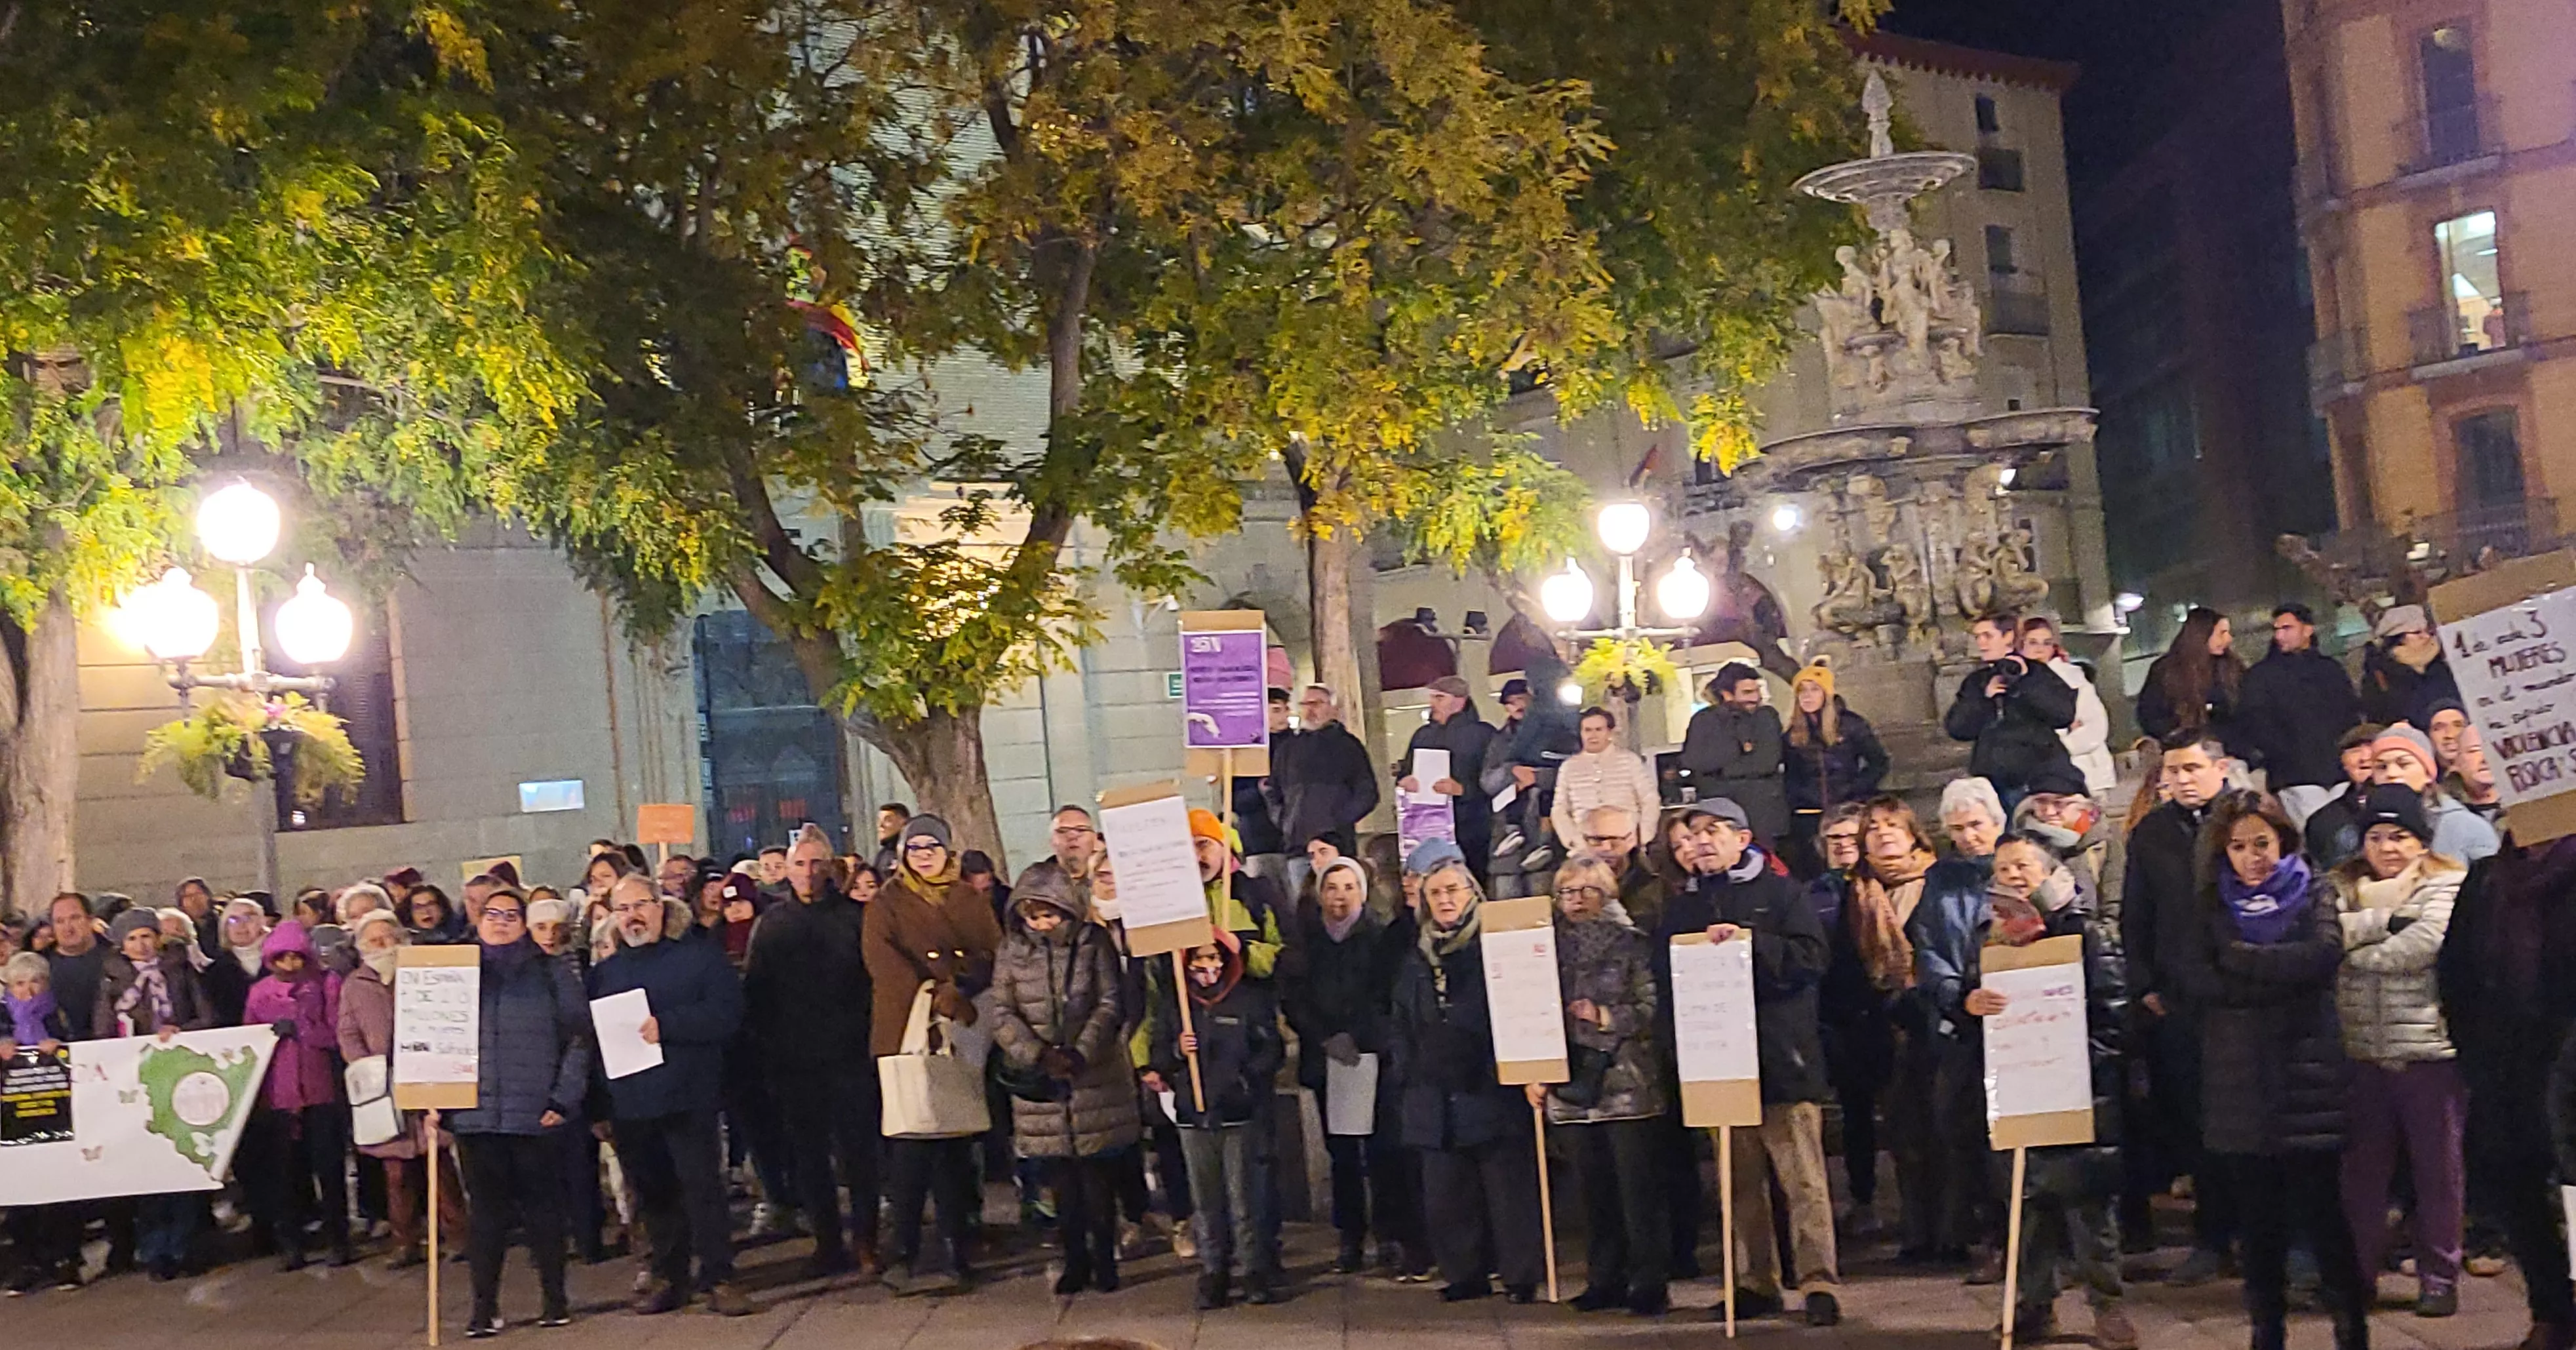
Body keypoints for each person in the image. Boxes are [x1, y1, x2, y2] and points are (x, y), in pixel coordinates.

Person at [2173, 791, 2369, 1350]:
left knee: (2325, 1216)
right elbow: (2197, 979)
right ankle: (2266, 1331)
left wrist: (2241, 960)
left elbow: (2321, 955)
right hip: (2238, 1081)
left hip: (2307, 1076)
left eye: (2262, 843)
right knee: (2257, 1224)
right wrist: (2272, 978)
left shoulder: (2314, 890)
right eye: (2238, 846)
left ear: (2283, 840)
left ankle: (2350, 1329)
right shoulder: (2210, 903)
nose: (2252, 857)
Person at [1661, 799, 1840, 1324]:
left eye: (1713, 830)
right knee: (1737, 1182)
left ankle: (1817, 1280)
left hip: (1780, 1058)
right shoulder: (1683, 907)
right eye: (1693, 832)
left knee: (1802, 1180)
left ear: (1742, 839)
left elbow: (1811, 959)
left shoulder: (1782, 893)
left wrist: (1751, 943)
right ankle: (1753, 1279)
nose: (1701, 840)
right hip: (1718, 1062)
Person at [1962, 833, 2134, 1349]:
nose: (2012, 875)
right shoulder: (1990, 939)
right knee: (2026, 1204)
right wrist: (1969, 1003)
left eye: (2023, 865)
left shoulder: (2084, 932)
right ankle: (2034, 1306)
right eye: (2003, 868)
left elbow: (2115, 1013)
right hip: (2018, 1086)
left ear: (2048, 871)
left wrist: (2076, 1062)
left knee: (2088, 1211)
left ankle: (2108, 1307)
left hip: (2080, 1091)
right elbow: (1968, 1004)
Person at [2321, 785, 2467, 1317]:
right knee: (2360, 1173)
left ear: (2421, 841)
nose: (2387, 847)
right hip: (2359, 1050)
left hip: (2428, 1049)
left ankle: (2439, 1276)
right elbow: (2322, 938)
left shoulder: (2447, 883)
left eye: (2399, 836)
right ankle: (2355, 1275)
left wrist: (2351, 952)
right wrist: (2383, 923)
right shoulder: (2338, 886)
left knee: (2438, 1171)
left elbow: (2423, 945)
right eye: (2377, 836)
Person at [1386, 843, 1545, 1305]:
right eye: (1435, 893)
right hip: (1432, 1092)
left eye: (1453, 890)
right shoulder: (1415, 956)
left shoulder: (1494, 945)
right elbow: (1400, 1018)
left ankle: (1519, 1275)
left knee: (1507, 1191)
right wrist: (1408, 1068)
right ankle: (1464, 1273)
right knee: (1446, 1194)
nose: (1445, 899)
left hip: (1487, 1087)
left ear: (1473, 892)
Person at [585, 875, 749, 1315]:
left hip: (688, 1095)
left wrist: (669, 1025)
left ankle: (720, 1276)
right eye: (623, 909)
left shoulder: (699, 957)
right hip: (632, 1103)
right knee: (653, 1195)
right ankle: (668, 1277)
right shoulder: (605, 974)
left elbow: (727, 1015)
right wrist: (599, 1105)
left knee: (703, 1190)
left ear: (660, 906)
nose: (633, 916)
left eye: (640, 905)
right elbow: (594, 1043)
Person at [439, 888, 592, 1338]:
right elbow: (432, 1035)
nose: (501, 922)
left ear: (524, 923)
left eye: (511, 915)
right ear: (478, 919)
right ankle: (484, 1307)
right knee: (486, 1217)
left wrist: (563, 1099)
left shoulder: (550, 971)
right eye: (493, 914)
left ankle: (555, 1299)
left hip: (535, 1112)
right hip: (476, 1115)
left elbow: (579, 1038)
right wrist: (433, 1101)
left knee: (544, 1210)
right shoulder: (454, 972)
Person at [2444, 833, 2576, 1350]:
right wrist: (2473, 1053)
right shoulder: (2486, 879)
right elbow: (2455, 969)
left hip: (2568, 1058)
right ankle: (2551, 1307)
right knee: (2513, 1183)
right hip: (2505, 1063)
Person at [981, 867, 1139, 1296]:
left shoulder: (1092, 943)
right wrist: (1037, 1054)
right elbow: (1002, 1010)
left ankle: (1104, 1258)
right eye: (1032, 916)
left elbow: (1110, 1000)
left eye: (1049, 915)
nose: (1041, 924)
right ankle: (1074, 1259)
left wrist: (1081, 1051)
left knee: (1098, 1179)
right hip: (1043, 1081)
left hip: (1094, 1077)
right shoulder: (1011, 949)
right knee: (1061, 1183)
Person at [863, 814, 1003, 1294]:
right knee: (910, 1145)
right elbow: (882, 961)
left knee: (955, 1146)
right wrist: (930, 990)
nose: (924, 855)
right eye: (915, 848)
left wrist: (961, 986)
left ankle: (955, 1247)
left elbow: (992, 951)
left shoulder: (967, 898)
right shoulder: (886, 902)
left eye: (932, 847)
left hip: (960, 1030)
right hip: (905, 1032)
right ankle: (902, 1252)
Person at [2120, 731, 2236, 1279]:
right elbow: (2136, 912)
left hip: (2241, 994)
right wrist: (2144, 983)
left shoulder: (2246, 820)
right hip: (2178, 999)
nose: (2182, 779)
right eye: (2173, 770)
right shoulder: (2152, 831)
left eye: (2192, 768)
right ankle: (2211, 1237)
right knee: (2196, 1123)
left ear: (2221, 767)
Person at [1537, 852, 1671, 1317]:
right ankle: (1603, 1279)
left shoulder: (1632, 943)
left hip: (1626, 1083)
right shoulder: (1545, 948)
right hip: (1570, 1084)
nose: (1575, 900)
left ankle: (1649, 1281)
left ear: (1607, 893)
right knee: (1592, 1191)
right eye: (1566, 891)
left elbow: (1651, 1007)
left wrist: (1606, 1016)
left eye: (1586, 890)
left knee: (1636, 1191)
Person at [744, 831, 880, 1276]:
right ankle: (827, 1242)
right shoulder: (773, 924)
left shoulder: (856, 918)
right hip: (795, 1059)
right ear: (787, 870)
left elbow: (874, 983)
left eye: (815, 863)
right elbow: (757, 991)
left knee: (858, 1154)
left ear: (830, 867)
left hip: (850, 1054)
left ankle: (866, 1239)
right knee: (809, 1157)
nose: (807, 872)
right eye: (799, 864)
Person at [1282, 856, 1421, 1277]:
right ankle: (1350, 1236)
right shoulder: (1306, 943)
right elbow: (1294, 998)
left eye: (1349, 887)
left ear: (1363, 892)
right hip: (1328, 1059)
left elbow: (1386, 996)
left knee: (1383, 1151)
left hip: (1372, 1057)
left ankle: (1389, 1234)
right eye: (1331, 887)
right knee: (1341, 1154)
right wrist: (1325, 1036)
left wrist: (1358, 1036)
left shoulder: (1380, 940)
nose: (1340, 896)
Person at [1147, 937, 1286, 1309]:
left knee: (1244, 1198)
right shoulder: (1177, 1004)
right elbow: (1159, 1054)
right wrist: (1177, 1050)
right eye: (1199, 960)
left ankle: (1254, 1269)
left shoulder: (1248, 1000)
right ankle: (1214, 1272)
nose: (1207, 968)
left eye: (1213, 958)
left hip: (1238, 1112)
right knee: (1206, 1200)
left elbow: (1271, 1050)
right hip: (1194, 1115)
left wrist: (1245, 1080)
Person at [93, 907, 215, 1279]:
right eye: (132, 939)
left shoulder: (179, 971)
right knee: (149, 1168)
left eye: (146, 936)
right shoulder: (113, 981)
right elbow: (102, 1030)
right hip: (138, 1081)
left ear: (158, 938)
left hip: (179, 1074)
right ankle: (155, 1248)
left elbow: (207, 1016)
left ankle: (184, 1245)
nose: (141, 945)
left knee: (182, 1162)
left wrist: (181, 1031)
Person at [336, 909, 460, 1268]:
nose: (383, 945)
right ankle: (405, 1242)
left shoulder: (423, 972)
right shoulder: (355, 985)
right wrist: (368, 1068)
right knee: (396, 1174)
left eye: (388, 937)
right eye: (374, 940)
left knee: (440, 1166)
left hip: (427, 1078)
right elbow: (348, 1032)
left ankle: (458, 1235)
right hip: (384, 1089)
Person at [239, 919, 352, 1270]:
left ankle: (339, 1239)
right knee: (285, 1176)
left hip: (320, 1092)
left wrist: (302, 1027)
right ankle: (292, 1244)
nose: (289, 965)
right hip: (279, 1095)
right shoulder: (260, 993)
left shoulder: (325, 985)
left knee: (329, 1171)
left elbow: (336, 1034)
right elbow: (249, 1040)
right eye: (281, 958)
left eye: (296, 957)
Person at [1807, 803, 1892, 1237]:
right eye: (1833, 838)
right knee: (1854, 1112)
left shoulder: (1883, 886)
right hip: (1836, 1015)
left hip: (1883, 1011)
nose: (1842, 845)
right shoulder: (1812, 895)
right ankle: (1861, 1198)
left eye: (1850, 837)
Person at [2238, 603, 2366, 826]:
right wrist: (2282, 757)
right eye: (2277, 630)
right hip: (2295, 775)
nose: (2279, 636)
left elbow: (2349, 716)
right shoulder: (2261, 676)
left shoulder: (2331, 670)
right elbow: (2257, 723)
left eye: (2287, 628)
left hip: (2337, 772)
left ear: (2308, 630)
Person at [2, 950, 81, 1292]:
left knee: (62, 1191)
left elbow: (81, 1048)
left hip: (56, 1115)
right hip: (14, 1121)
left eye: (35, 982)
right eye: (20, 984)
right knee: (22, 1195)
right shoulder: (2, 1018)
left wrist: (61, 1047)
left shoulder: (59, 1013)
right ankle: (30, 1262)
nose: (28, 990)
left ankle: (67, 1260)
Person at [1945, 612, 2080, 804]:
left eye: (1987, 636)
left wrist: (2025, 682)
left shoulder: (2037, 673)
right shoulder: (1977, 681)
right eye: (1977, 637)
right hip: (1994, 783)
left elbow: (2063, 714)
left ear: (2008, 636)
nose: (1981, 643)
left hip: (2038, 781)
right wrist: (1986, 700)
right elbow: (1957, 729)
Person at [1265, 685, 1381, 901]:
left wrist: (1336, 821)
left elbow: (1368, 793)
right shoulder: (1288, 749)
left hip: (1337, 847)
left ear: (1332, 708)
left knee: (1340, 904)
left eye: (1316, 703)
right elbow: (1273, 792)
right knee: (1304, 908)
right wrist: (1285, 820)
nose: (1310, 709)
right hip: (1298, 847)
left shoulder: (1348, 746)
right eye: (1305, 704)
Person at [1779, 659, 1889, 869]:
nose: (1807, 696)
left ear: (1826, 694)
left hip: (1847, 808)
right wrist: (1798, 797)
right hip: (1808, 814)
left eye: (1814, 690)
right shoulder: (1792, 734)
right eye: (1802, 691)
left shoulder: (1851, 724)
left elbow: (1879, 762)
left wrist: (1854, 790)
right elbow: (1790, 774)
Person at [1400, 675, 1497, 886]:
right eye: (1432, 697)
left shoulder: (1484, 734)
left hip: (1473, 826)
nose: (1432, 703)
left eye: (1439, 698)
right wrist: (1406, 782)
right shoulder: (1422, 735)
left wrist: (1463, 789)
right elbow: (1405, 772)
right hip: (1427, 825)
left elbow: (1496, 780)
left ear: (1460, 701)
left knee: (1472, 881)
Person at [1680, 662, 1791, 846]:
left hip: (1764, 817)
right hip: (1720, 817)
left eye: (1757, 691)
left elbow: (1767, 762)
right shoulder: (1703, 721)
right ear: (1727, 694)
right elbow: (1694, 761)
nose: (1755, 698)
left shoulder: (1766, 717)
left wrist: (1722, 771)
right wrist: (1742, 750)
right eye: (1747, 692)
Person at [2368, 723, 2498, 864]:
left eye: (2404, 764)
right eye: (2382, 767)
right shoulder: (2367, 826)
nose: (2391, 774)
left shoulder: (2467, 825)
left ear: (2428, 773)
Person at [2018, 617, 2118, 795]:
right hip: (2039, 777)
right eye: (2032, 642)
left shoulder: (2073, 679)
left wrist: (2058, 746)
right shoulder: (2015, 682)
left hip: (2086, 771)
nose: (2040, 649)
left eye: (2047, 643)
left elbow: (2096, 726)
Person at [2137, 606, 2249, 763]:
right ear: (2202, 635)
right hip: (2185, 754)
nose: (2228, 639)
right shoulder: (2166, 671)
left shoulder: (2232, 667)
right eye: (2222, 633)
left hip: (2232, 754)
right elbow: (2150, 715)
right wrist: (2177, 737)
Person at [1552, 706, 1661, 858]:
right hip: (1586, 845)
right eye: (1588, 730)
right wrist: (1574, 842)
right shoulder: (1569, 767)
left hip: (1627, 843)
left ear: (1609, 732)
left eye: (1599, 730)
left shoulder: (1629, 760)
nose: (1593, 735)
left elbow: (1650, 799)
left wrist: (1643, 836)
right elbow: (1559, 809)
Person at [2360, 606, 2459, 730]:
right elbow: (2378, 717)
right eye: (2417, 632)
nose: (2426, 636)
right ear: (2399, 637)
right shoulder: (2381, 674)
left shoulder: (2443, 665)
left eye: (2428, 631)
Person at [2303, 725, 2387, 869]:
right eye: (2355, 751)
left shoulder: (2417, 807)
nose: (2364, 758)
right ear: (2343, 762)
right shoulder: (2323, 821)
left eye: (2373, 747)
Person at [1233, 690, 1294, 881]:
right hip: (1260, 838)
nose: (1283, 716)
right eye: (1276, 710)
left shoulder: (1299, 745)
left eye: (1286, 709)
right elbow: (1236, 800)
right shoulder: (1248, 751)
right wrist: (1263, 790)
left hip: (1295, 837)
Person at [41, 892, 106, 1041]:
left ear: (90, 919)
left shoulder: (116, 958)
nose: (68, 928)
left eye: (75, 918)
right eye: (60, 921)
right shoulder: (39, 964)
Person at [203, 896, 269, 1024]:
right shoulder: (215, 972)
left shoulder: (282, 960)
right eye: (233, 920)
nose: (241, 925)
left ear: (262, 922)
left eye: (248, 918)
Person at [872, 802, 911, 877]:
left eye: (888, 820)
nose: (880, 825)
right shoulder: (882, 854)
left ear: (904, 823)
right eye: (879, 820)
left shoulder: (911, 852)